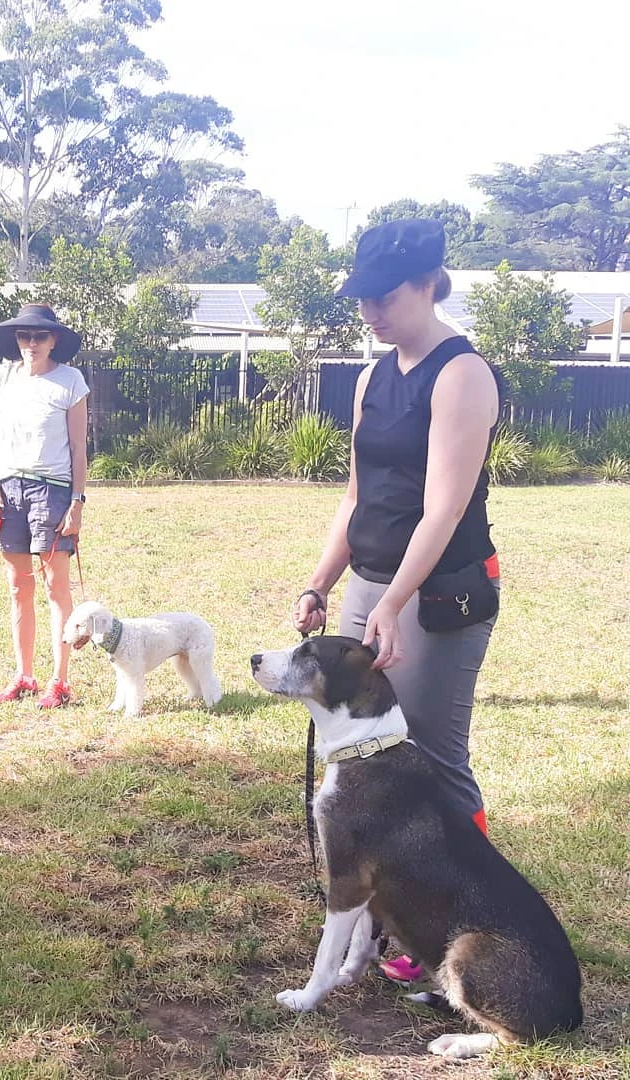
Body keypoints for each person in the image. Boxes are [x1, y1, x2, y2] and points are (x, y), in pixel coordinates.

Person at [292, 219, 501, 985]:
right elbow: (358, 494)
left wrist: (395, 601)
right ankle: (386, 921)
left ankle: (463, 921)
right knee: (365, 759)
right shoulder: (373, 377)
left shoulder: (462, 374)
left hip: (440, 592)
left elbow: (442, 508)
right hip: (372, 582)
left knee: (434, 767)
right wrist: (322, 581)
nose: (370, 313)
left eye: (383, 297)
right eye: (362, 300)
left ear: (427, 282)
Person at [0, 303, 89, 709]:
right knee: (17, 586)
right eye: (24, 336)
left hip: (52, 490)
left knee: (55, 585)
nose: (31, 343)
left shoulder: (70, 381)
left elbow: (79, 448)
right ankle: (24, 675)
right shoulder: (3, 376)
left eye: (40, 336)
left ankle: (59, 681)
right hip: (9, 490)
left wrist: (77, 502)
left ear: (54, 340)